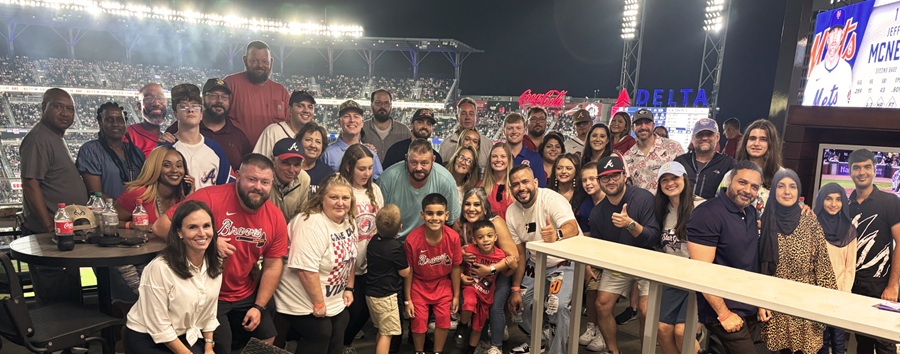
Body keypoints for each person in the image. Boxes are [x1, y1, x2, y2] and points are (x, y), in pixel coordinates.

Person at [152, 154, 288, 353]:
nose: (258, 186)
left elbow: (273, 264)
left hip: (244, 291)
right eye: (252, 179)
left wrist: (259, 307)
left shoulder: (275, 216)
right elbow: (161, 226)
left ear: (272, 183)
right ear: (238, 176)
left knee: (266, 336)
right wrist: (211, 243)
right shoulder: (209, 198)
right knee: (221, 345)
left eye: (264, 182)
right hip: (207, 292)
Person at [124, 200, 223, 354]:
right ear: (179, 232)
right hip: (148, 337)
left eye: (206, 226)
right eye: (193, 227)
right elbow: (159, 325)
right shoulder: (160, 268)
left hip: (184, 334)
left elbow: (209, 311)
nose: (202, 233)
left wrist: (209, 347)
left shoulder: (214, 264)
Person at [275, 174, 357, 354]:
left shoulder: (348, 220)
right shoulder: (310, 223)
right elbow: (305, 270)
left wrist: (349, 288)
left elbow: (350, 256)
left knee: (342, 319)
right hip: (299, 295)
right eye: (334, 197)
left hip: (331, 293)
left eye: (345, 198)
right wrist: (319, 304)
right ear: (321, 199)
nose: (340, 203)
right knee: (321, 331)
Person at [757, 169, 837, 354]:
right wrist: (760, 301)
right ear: (774, 191)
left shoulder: (809, 221)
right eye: (781, 186)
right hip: (774, 304)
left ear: (798, 190)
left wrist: (828, 305)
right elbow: (757, 268)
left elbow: (823, 265)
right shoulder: (764, 221)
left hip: (805, 304)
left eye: (792, 186)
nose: (787, 191)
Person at [687, 160, 763, 353]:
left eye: (754, 186)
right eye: (742, 182)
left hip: (749, 307)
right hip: (723, 311)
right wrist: (723, 314)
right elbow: (700, 271)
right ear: (729, 181)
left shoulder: (751, 213)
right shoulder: (707, 213)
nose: (747, 190)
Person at [506, 165, 582, 354]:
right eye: (515, 184)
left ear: (535, 183)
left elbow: (572, 226)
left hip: (562, 262)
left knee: (558, 306)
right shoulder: (511, 212)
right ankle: (536, 342)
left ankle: (557, 351)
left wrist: (557, 233)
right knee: (519, 302)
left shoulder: (551, 199)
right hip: (535, 262)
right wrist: (515, 288)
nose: (521, 188)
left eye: (525, 182)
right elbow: (520, 252)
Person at [20, 88, 85, 305]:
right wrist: (49, 223)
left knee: (69, 292)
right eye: (58, 106)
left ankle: (74, 336)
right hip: (48, 234)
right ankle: (62, 337)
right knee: (56, 301)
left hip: (61, 232)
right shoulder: (39, 139)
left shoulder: (54, 137)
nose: (65, 113)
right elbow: (30, 184)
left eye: (70, 108)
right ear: (44, 108)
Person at [589, 155, 660, 354]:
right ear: (599, 181)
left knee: (646, 310)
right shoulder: (597, 213)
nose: (610, 181)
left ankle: (646, 351)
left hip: (648, 260)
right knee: (602, 305)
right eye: (605, 178)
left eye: (615, 176)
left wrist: (631, 225)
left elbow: (653, 238)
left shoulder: (643, 198)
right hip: (619, 263)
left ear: (624, 176)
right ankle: (613, 350)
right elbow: (600, 248)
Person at [113, 146, 194, 303]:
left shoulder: (182, 197)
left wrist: (190, 198)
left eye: (179, 165)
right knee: (149, 301)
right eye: (167, 165)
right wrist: (132, 225)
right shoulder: (138, 193)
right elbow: (110, 222)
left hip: (163, 259)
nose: (175, 170)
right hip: (134, 260)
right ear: (156, 167)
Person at [452, 187, 520, 354]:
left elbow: (514, 257)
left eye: (477, 204)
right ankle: (480, 341)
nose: (471, 208)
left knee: (495, 306)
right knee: (474, 304)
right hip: (472, 274)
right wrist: (460, 258)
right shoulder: (460, 224)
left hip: (498, 272)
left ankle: (496, 346)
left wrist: (489, 270)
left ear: (484, 207)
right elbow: (452, 252)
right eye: (467, 204)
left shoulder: (495, 223)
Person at [846, 149, 900, 354]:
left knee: (885, 343)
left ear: (874, 170)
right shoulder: (845, 205)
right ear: (850, 172)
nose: (862, 172)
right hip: (853, 285)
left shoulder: (889, 202)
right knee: (863, 342)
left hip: (880, 287)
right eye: (857, 167)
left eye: (867, 167)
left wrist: (893, 285)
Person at [339, 144, 385, 350]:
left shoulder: (374, 189)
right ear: (349, 167)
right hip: (347, 264)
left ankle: (343, 344)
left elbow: (381, 221)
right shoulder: (342, 189)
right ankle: (339, 344)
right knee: (350, 310)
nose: (367, 173)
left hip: (370, 261)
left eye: (370, 168)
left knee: (365, 310)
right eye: (362, 168)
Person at [404, 193, 463, 354]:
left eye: (439, 214)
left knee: (444, 320)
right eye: (430, 213)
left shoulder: (453, 238)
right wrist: (408, 299)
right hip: (419, 284)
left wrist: (456, 295)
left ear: (446, 215)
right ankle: (419, 351)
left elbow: (456, 267)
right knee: (419, 320)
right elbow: (408, 271)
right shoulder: (412, 240)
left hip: (443, 283)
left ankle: (438, 351)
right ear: (422, 215)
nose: (434, 218)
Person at [653, 162, 701, 354]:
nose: (670, 183)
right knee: (662, 329)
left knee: (682, 332)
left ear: (684, 179)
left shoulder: (701, 207)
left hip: (696, 280)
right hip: (671, 279)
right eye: (664, 180)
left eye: (674, 178)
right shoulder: (660, 209)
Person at [377, 138, 460, 239]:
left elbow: (452, 222)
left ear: (433, 160)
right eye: (414, 162)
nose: (419, 168)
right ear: (406, 158)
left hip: (430, 242)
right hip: (394, 241)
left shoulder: (446, 181)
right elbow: (377, 221)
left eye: (424, 163)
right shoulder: (387, 179)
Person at [166, 79, 252, 170]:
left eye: (224, 97)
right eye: (214, 96)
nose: (219, 101)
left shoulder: (239, 137)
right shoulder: (177, 129)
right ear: (203, 99)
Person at [813, 183, 857, 354]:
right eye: (828, 199)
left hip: (839, 293)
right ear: (821, 200)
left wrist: (842, 293)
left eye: (838, 199)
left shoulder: (849, 230)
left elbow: (849, 267)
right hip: (816, 293)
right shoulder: (812, 225)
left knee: (838, 339)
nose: (833, 204)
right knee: (820, 339)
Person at [163, 83, 233, 190]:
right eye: (183, 106)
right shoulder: (165, 148)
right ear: (175, 114)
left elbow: (226, 189)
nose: (190, 110)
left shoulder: (215, 149)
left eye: (195, 106)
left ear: (201, 114)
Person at [456, 220, 508, 354]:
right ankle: (461, 327)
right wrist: (461, 276)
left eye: (489, 236)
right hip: (471, 287)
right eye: (480, 237)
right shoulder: (469, 250)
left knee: (478, 326)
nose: (485, 240)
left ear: (495, 237)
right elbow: (457, 264)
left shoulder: (500, 255)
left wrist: (511, 263)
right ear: (474, 239)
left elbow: (510, 267)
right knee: (469, 303)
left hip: (486, 295)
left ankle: (471, 349)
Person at [223, 40, 291, 143]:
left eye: (265, 61)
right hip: (237, 155)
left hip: (271, 155)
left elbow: (289, 126)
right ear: (245, 60)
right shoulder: (230, 84)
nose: (260, 65)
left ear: (271, 62)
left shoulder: (281, 92)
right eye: (254, 61)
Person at [365, 205, 412, 354]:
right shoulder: (396, 247)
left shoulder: (373, 240)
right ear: (400, 227)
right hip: (386, 296)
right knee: (388, 334)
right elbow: (405, 273)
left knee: (382, 329)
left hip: (371, 294)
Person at [77, 102, 145, 199]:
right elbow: (96, 194)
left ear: (125, 124)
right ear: (101, 123)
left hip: (137, 212)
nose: (115, 124)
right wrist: (123, 209)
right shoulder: (91, 151)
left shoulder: (136, 152)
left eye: (120, 120)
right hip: (106, 212)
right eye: (109, 120)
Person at [719, 119, 784, 215]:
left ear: (771, 144)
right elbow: (717, 208)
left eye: (763, 139)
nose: (756, 144)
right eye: (752, 138)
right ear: (745, 142)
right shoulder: (730, 175)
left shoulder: (783, 176)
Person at [577, 161, 608, 352]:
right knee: (591, 290)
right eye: (584, 180)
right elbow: (586, 238)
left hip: (613, 255)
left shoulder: (612, 200)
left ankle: (604, 333)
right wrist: (587, 265)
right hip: (594, 254)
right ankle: (591, 327)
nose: (588, 183)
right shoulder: (586, 205)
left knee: (604, 298)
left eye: (592, 179)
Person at [623, 108, 685, 192]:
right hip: (642, 204)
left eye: (647, 123)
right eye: (638, 124)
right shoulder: (627, 157)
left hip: (669, 203)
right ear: (632, 128)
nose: (643, 127)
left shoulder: (673, 147)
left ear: (653, 125)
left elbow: (685, 179)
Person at [673, 118, 735, 201]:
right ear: (692, 138)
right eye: (699, 134)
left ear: (717, 137)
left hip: (713, 213)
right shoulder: (680, 162)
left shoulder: (728, 164)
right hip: (681, 212)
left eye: (709, 134)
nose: (704, 138)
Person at [802, 10, 853, 107]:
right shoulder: (816, 71)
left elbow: (844, 107)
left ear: (842, 36)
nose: (835, 37)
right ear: (828, 37)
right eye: (833, 32)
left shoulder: (845, 69)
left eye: (838, 32)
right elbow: (806, 105)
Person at [323, 100, 384, 180]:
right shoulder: (328, 154)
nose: (352, 120)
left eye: (356, 116)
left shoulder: (371, 153)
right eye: (346, 116)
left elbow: (378, 182)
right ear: (339, 122)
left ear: (362, 123)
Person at [254, 90, 316, 157]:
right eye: (300, 106)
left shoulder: (315, 136)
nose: (306, 110)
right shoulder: (273, 131)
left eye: (310, 107)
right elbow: (257, 163)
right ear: (290, 109)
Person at [439, 97, 494, 171]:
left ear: (476, 117)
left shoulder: (487, 144)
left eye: (471, 114)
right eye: (463, 113)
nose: (467, 117)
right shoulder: (446, 145)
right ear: (457, 117)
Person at [269, 138, 311, 221]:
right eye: (286, 163)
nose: (291, 170)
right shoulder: (263, 177)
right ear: (273, 160)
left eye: (297, 165)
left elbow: (301, 216)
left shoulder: (304, 179)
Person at [363, 89, 409, 161]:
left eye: (386, 103)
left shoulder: (403, 130)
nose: (382, 106)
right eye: (378, 103)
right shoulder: (362, 128)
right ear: (371, 105)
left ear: (391, 106)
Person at [504, 112, 547, 188]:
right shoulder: (498, 156)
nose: (514, 132)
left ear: (524, 130)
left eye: (518, 128)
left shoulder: (535, 158)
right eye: (510, 128)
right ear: (504, 131)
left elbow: (540, 188)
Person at [127, 83, 168, 158]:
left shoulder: (168, 138)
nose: (156, 103)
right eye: (149, 99)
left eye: (160, 97)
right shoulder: (128, 135)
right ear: (139, 107)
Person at [297, 122, 334, 195]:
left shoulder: (327, 173)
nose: (313, 145)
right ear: (299, 142)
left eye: (318, 142)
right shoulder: (291, 169)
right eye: (308, 140)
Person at [483, 143, 515, 219]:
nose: (498, 160)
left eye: (503, 156)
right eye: (494, 156)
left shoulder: (515, 186)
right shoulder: (481, 186)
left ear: (509, 160)